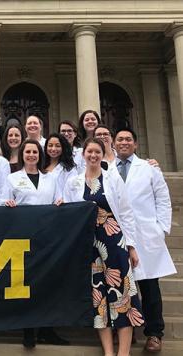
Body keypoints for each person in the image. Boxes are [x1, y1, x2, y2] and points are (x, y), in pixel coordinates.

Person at [63, 138, 144, 356]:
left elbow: (126, 213)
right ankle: (109, 351)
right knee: (99, 298)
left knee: (122, 295)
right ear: (83, 155)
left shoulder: (112, 178)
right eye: (89, 151)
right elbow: (70, 212)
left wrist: (132, 246)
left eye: (97, 151)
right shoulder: (74, 183)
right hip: (90, 245)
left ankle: (123, 352)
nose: (93, 155)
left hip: (114, 241)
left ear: (102, 153)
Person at [114, 128, 176, 352]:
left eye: (128, 139)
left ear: (135, 144)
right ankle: (125, 332)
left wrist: (161, 229)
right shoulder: (108, 168)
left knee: (149, 287)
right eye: (120, 139)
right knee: (121, 287)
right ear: (113, 143)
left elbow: (163, 198)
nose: (124, 142)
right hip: (117, 237)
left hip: (146, 235)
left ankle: (154, 333)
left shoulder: (149, 169)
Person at [4, 139, 66, 346]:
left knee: (46, 283)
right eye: (28, 152)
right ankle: (28, 330)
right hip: (22, 238)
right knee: (25, 284)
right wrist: (8, 204)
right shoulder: (12, 178)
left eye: (35, 152)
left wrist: (60, 202)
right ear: (22, 155)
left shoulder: (50, 179)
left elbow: (59, 200)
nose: (31, 155)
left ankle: (47, 329)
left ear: (40, 155)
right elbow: (2, 202)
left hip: (46, 238)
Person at [44, 133, 78, 199]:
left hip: (61, 206)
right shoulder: (40, 166)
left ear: (63, 148)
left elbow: (73, 191)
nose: (53, 149)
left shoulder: (70, 169)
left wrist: (64, 200)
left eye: (57, 146)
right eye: (50, 145)